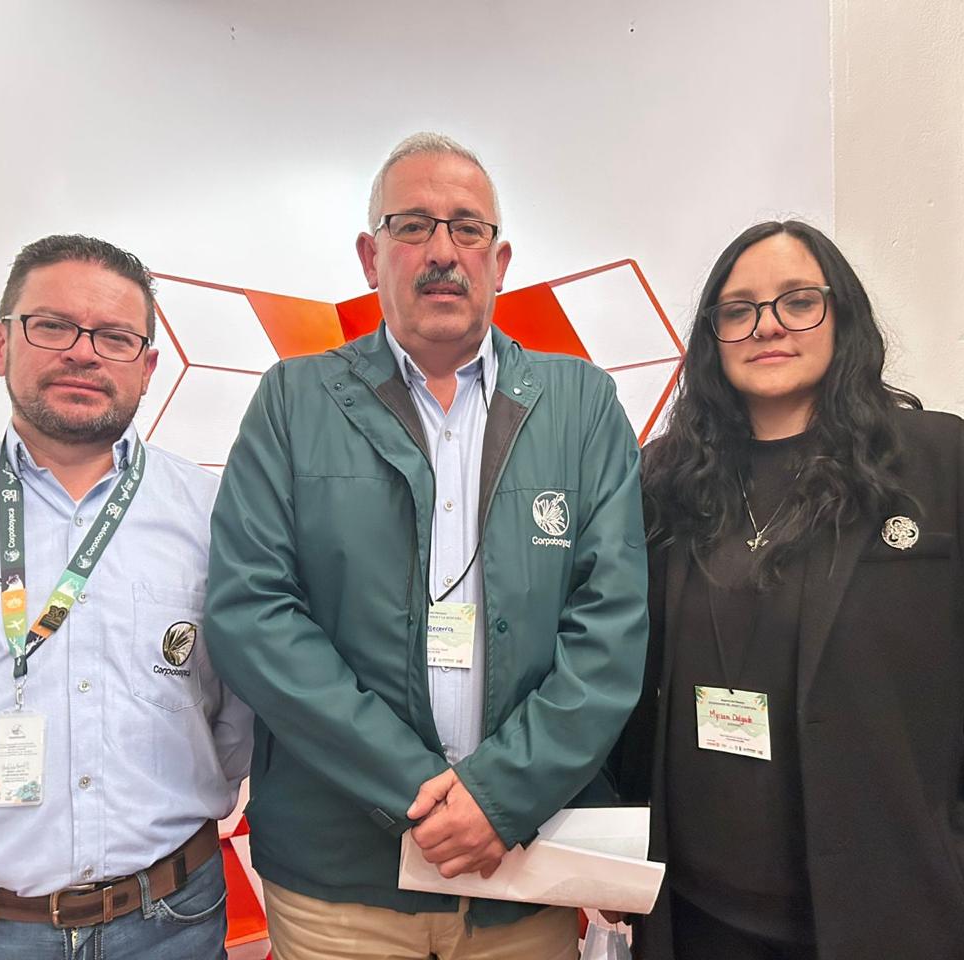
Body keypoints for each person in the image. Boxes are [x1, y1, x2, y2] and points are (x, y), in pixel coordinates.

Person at [205, 132, 649, 960]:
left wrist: (499, 798)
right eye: (413, 226)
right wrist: (420, 794)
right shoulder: (294, 402)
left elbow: (611, 628)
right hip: (342, 885)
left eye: (466, 228)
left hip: (523, 872)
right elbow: (251, 613)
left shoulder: (582, 405)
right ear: (371, 256)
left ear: (501, 257)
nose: (442, 251)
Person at [612, 220, 964, 960]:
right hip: (693, 916)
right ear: (712, 338)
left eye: (797, 301)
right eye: (737, 310)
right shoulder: (664, 482)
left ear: (842, 314)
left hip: (891, 916)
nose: (766, 325)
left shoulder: (936, 464)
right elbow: (618, 676)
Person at [0, 234, 253, 958]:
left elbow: (238, 710)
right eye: (52, 326)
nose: (83, 352)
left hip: (171, 922)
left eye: (114, 337)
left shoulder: (216, 514)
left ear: (148, 366)